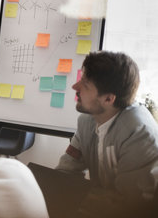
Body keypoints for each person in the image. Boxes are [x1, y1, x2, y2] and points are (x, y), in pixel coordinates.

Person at [56, 51, 158, 217]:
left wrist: (76, 196)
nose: (75, 87)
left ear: (109, 99)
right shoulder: (86, 121)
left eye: (85, 85)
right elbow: (65, 172)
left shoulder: (140, 133)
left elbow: (130, 204)